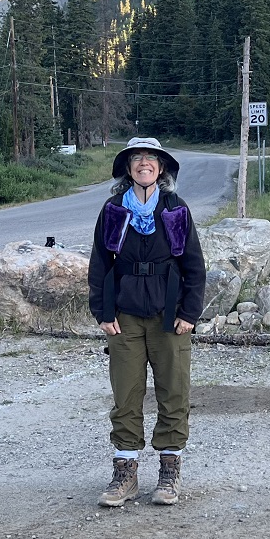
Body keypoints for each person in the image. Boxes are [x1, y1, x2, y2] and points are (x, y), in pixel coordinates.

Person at [87, 137, 206, 507]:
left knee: (173, 392)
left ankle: (169, 472)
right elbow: (100, 265)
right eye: (136, 158)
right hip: (124, 317)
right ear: (127, 168)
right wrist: (103, 313)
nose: (144, 163)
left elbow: (194, 266)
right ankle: (125, 473)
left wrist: (189, 313)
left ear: (161, 168)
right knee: (126, 395)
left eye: (150, 159)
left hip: (170, 316)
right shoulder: (112, 210)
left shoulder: (175, 209)